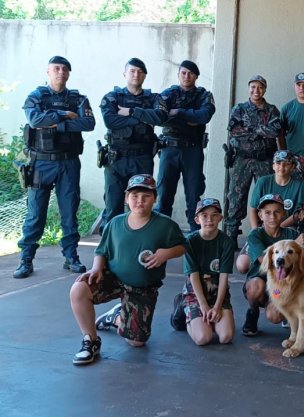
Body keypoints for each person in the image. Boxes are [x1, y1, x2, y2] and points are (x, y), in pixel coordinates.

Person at [69, 174, 185, 365]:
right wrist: (96, 268)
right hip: (113, 278)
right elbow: (102, 250)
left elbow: (182, 246)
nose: (140, 201)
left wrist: (166, 253)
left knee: (136, 342)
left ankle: (117, 317)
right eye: (135, 196)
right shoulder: (115, 223)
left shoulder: (165, 225)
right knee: (79, 288)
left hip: (143, 287)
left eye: (146, 196)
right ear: (126, 198)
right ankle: (91, 340)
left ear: (155, 198)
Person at [13, 56, 95, 279]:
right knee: (35, 214)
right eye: (56, 68)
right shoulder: (36, 96)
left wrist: (55, 124)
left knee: (69, 212)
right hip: (41, 162)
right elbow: (35, 120)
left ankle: (71, 257)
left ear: (69, 73)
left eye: (65, 69)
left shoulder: (77, 98)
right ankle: (26, 260)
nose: (61, 72)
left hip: (68, 162)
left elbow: (88, 123)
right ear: (48, 71)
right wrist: (63, 116)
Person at [99, 58, 168, 227]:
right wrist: (142, 118)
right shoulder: (113, 97)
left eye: (140, 71)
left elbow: (161, 117)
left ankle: (137, 246)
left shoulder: (154, 98)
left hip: (142, 158)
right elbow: (110, 121)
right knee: (113, 205)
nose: (136, 74)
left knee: (140, 207)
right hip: (116, 159)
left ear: (145, 75)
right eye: (132, 71)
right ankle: (109, 248)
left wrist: (130, 112)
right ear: (125, 74)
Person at [238, 194, 304, 337]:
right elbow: (263, 260)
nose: (272, 216)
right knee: (255, 286)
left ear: (283, 214)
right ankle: (252, 312)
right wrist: (295, 244)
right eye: (267, 212)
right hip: (261, 281)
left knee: (274, 316)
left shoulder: (290, 233)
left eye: (277, 212)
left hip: (282, 286)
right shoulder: (255, 234)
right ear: (260, 215)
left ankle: (286, 311)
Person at [155, 60, 216, 231]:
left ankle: (196, 237)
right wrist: (190, 119)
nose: (186, 76)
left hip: (192, 150)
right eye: (183, 73)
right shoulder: (169, 93)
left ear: (196, 76)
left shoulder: (204, 95)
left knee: (194, 196)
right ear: (178, 74)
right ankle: (162, 236)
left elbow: (204, 116)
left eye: (190, 73)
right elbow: (160, 117)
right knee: (164, 195)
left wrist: (179, 113)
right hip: (170, 150)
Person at [223, 75, 281, 242]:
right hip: (242, 160)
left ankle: (267, 235)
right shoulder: (239, 109)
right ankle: (231, 236)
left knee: (267, 197)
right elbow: (234, 131)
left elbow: (276, 130)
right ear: (249, 88)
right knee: (236, 197)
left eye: (260, 87)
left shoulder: (271, 110)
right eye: (253, 86)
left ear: (265, 89)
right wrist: (262, 130)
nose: (256, 90)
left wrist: (250, 130)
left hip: (264, 160)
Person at [179, 198, 236, 345]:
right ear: (197, 219)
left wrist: (217, 307)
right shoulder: (190, 241)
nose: (209, 219)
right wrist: (203, 306)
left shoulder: (226, 242)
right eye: (204, 215)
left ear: (220, 218)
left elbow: (224, 277)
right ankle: (185, 311)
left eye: (214, 215)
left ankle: (207, 318)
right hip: (196, 291)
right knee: (204, 338)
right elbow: (193, 275)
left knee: (226, 337)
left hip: (217, 292)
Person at [247, 150, 304, 230]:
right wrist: (255, 231)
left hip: (288, 227)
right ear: (273, 166)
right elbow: (253, 209)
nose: (281, 167)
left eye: (286, 164)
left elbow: (298, 213)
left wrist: (278, 228)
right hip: (265, 227)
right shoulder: (262, 182)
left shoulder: (299, 185)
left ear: (292, 166)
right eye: (278, 163)